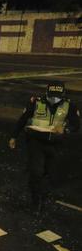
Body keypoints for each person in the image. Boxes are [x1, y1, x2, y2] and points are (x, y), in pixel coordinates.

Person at [8, 82, 80, 212]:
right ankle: (36, 201)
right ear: (46, 93)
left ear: (63, 95)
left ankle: (41, 190)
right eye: (51, 95)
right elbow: (23, 119)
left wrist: (66, 129)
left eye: (57, 96)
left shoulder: (69, 105)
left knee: (48, 172)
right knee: (36, 171)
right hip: (36, 141)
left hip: (55, 144)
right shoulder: (36, 102)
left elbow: (76, 124)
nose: (54, 99)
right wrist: (14, 136)